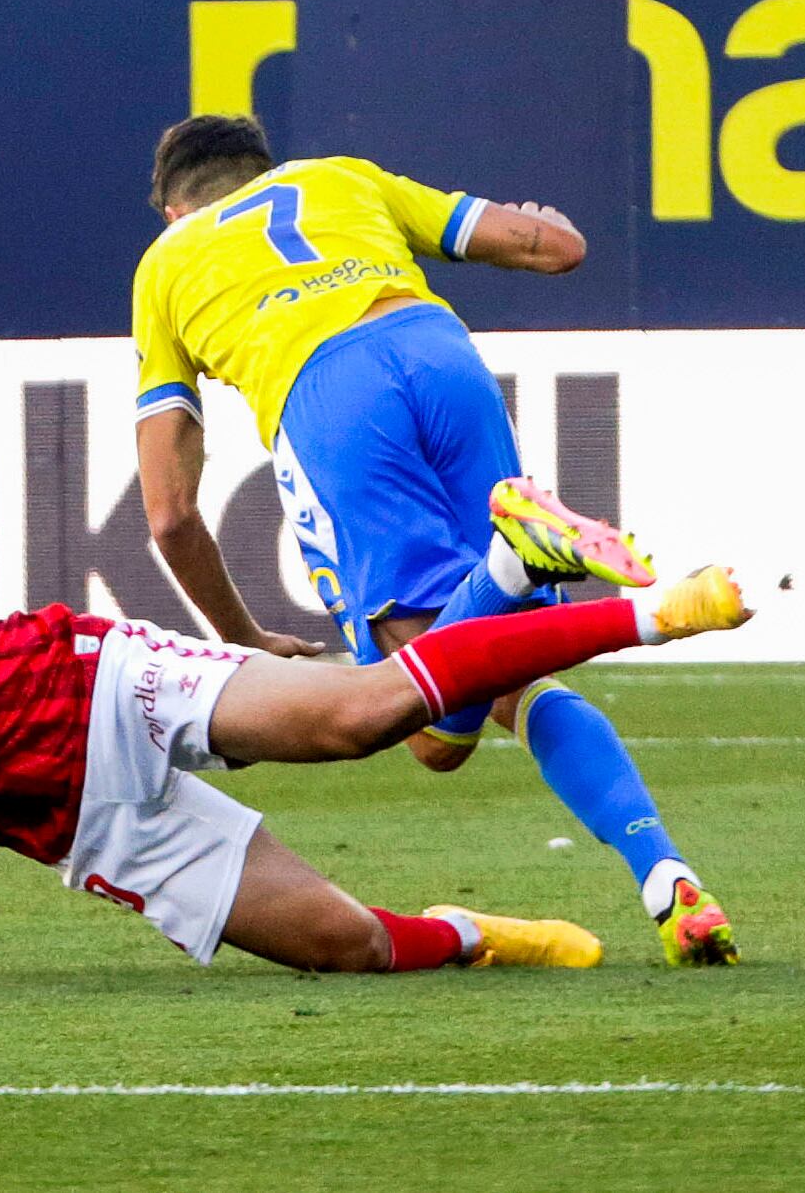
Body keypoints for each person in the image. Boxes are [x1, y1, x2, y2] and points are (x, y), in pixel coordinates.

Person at [0, 518, 751, 986]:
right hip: (79, 820)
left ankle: (661, 609)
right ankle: (490, 934)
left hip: (102, 687)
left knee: (357, 718)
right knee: (339, 947)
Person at [131, 114, 738, 967]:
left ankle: (510, 560)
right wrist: (542, 219)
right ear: (263, 169)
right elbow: (553, 248)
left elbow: (169, 515)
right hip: (440, 356)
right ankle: (664, 875)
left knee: (422, 729)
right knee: (510, 672)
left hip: (327, 396)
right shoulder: (342, 176)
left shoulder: (165, 265)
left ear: (170, 208)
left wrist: (240, 641)